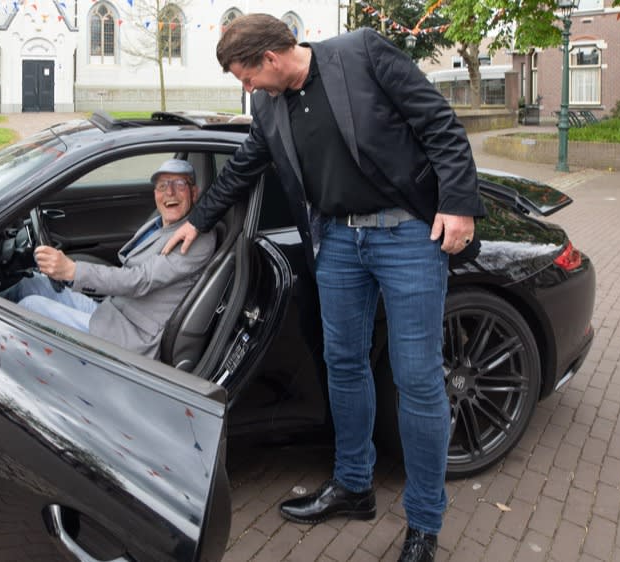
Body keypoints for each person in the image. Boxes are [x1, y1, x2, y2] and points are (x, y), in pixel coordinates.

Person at [162, 15, 485, 562]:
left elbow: (440, 125)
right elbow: (244, 166)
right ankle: (353, 486)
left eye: (246, 77)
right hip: (336, 241)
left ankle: (425, 524)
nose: (247, 90)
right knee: (343, 363)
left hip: (405, 234)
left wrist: (457, 204)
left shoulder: (361, 53)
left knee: (419, 380)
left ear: (270, 58)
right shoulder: (267, 106)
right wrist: (199, 218)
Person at [1, 159, 216, 360]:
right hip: (111, 310)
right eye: (162, 185)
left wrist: (72, 271)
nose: (169, 192)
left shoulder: (197, 238)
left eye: (179, 184)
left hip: (129, 336)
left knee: (31, 305)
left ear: (194, 193)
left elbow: (140, 280)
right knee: (33, 284)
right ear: (155, 193)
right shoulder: (163, 223)